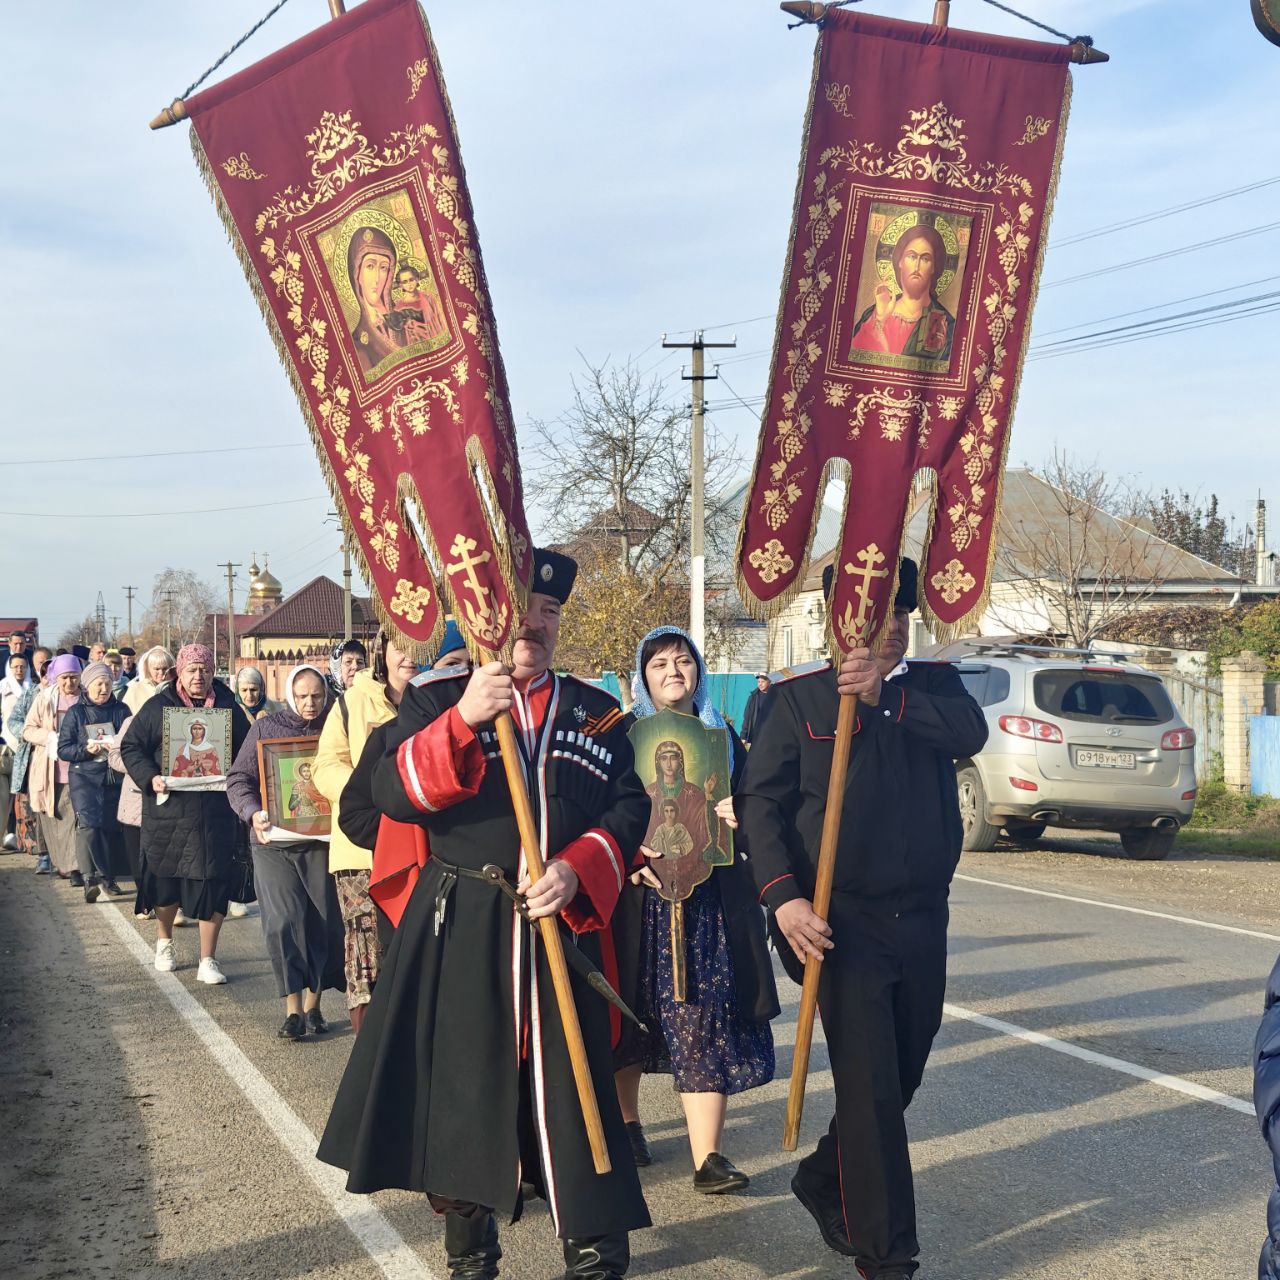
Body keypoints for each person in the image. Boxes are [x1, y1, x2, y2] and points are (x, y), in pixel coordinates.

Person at [318, 550, 651, 1280]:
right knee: (465, 1088)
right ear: (485, 617)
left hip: (562, 924)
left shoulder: (595, 710)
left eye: (551, 612)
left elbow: (631, 809)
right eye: (523, 608)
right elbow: (386, 796)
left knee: (572, 1085)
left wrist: (577, 866)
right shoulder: (436, 699)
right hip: (464, 924)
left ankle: (595, 1248)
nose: (536, 623)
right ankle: (471, 1254)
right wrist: (466, 718)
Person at [737, 558, 988, 1280]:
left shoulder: (932, 689)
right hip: (837, 926)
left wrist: (886, 699)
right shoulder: (797, 700)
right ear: (839, 622)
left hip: (922, 920)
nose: (892, 634)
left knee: (901, 1075)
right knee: (871, 1086)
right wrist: (783, 899)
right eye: (878, 621)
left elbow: (968, 733)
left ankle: (825, 1176)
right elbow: (761, 807)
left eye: (903, 621)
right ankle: (888, 1256)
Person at [612, 626, 777, 1193]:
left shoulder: (723, 736)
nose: (673, 672)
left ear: (699, 672)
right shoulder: (620, 736)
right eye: (659, 664)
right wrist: (624, 852)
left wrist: (741, 811)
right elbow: (600, 810)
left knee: (702, 1011)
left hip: (708, 900)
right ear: (644, 676)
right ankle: (629, 1125)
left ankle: (708, 1156)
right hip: (637, 897)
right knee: (628, 1009)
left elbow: (761, 798)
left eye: (683, 661)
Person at [313, 623, 461, 1033]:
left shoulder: (446, 698)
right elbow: (324, 766)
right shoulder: (353, 704)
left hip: (428, 847)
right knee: (369, 948)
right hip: (364, 846)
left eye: (421, 646)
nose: (409, 656)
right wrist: (378, 791)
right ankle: (370, 1042)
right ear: (383, 652)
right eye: (400, 646)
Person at [227, 665, 344, 1040]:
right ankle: (292, 1010)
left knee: (322, 923)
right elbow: (238, 780)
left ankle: (314, 1006)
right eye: (303, 696)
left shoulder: (336, 726)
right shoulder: (266, 728)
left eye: (317, 695)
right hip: (273, 843)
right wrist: (252, 813)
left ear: (326, 693)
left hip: (323, 844)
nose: (310, 703)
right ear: (291, 694)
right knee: (282, 921)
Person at [122, 644, 251, 984]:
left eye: (205, 670)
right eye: (192, 670)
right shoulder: (159, 707)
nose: (199, 676)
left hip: (214, 812)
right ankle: (164, 942)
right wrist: (150, 777)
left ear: (213, 672)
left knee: (213, 881)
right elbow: (131, 746)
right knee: (166, 879)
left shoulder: (227, 707)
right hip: (169, 810)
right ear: (179, 671)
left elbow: (247, 748)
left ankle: (208, 959)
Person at [58, 660, 129, 902]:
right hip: (83, 776)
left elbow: (131, 742)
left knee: (109, 828)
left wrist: (117, 746)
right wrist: (85, 749)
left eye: (108, 683)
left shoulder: (122, 710)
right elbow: (63, 749)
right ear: (87, 686)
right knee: (87, 825)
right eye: (99, 684)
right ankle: (89, 878)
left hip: (111, 776)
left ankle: (108, 877)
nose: (103, 688)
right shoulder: (76, 713)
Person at [850, 223, 955, 363]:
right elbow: (855, 360)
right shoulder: (875, 313)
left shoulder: (941, 320)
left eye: (925, 259)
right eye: (911, 256)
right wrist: (879, 320)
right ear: (899, 261)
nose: (917, 265)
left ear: (934, 267)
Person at [22, 654, 84, 881]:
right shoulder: (45, 699)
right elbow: (28, 729)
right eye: (65, 678)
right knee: (56, 818)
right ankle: (63, 864)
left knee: (76, 820)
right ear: (56, 677)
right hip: (52, 769)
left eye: (74, 677)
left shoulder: (87, 697)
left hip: (81, 767)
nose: (70, 683)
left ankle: (77, 867)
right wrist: (50, 737)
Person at [347, 226, 402, 375]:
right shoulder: (356, 344)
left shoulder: (405, 320)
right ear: (357, 273)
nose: (377, 278)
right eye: (370, 266)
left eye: (383, 268)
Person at [0, 652, 33, 849]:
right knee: (4, 798)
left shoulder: (34, 688)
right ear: (9, 668)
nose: (19, 670)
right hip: (6, 748)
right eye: (16, 667)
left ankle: (21, 837)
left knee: (22, 797)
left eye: (23, 667)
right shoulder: (2, 688)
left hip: (28, 747)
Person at [740, 673, 771, 746]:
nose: (760, 684)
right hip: (757, 734)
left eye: (762, 682)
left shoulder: (776, 696)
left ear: (769, 682)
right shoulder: (753, 697)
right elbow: (747, 717)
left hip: (771, 734)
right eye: (758, 682)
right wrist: (743, 736)